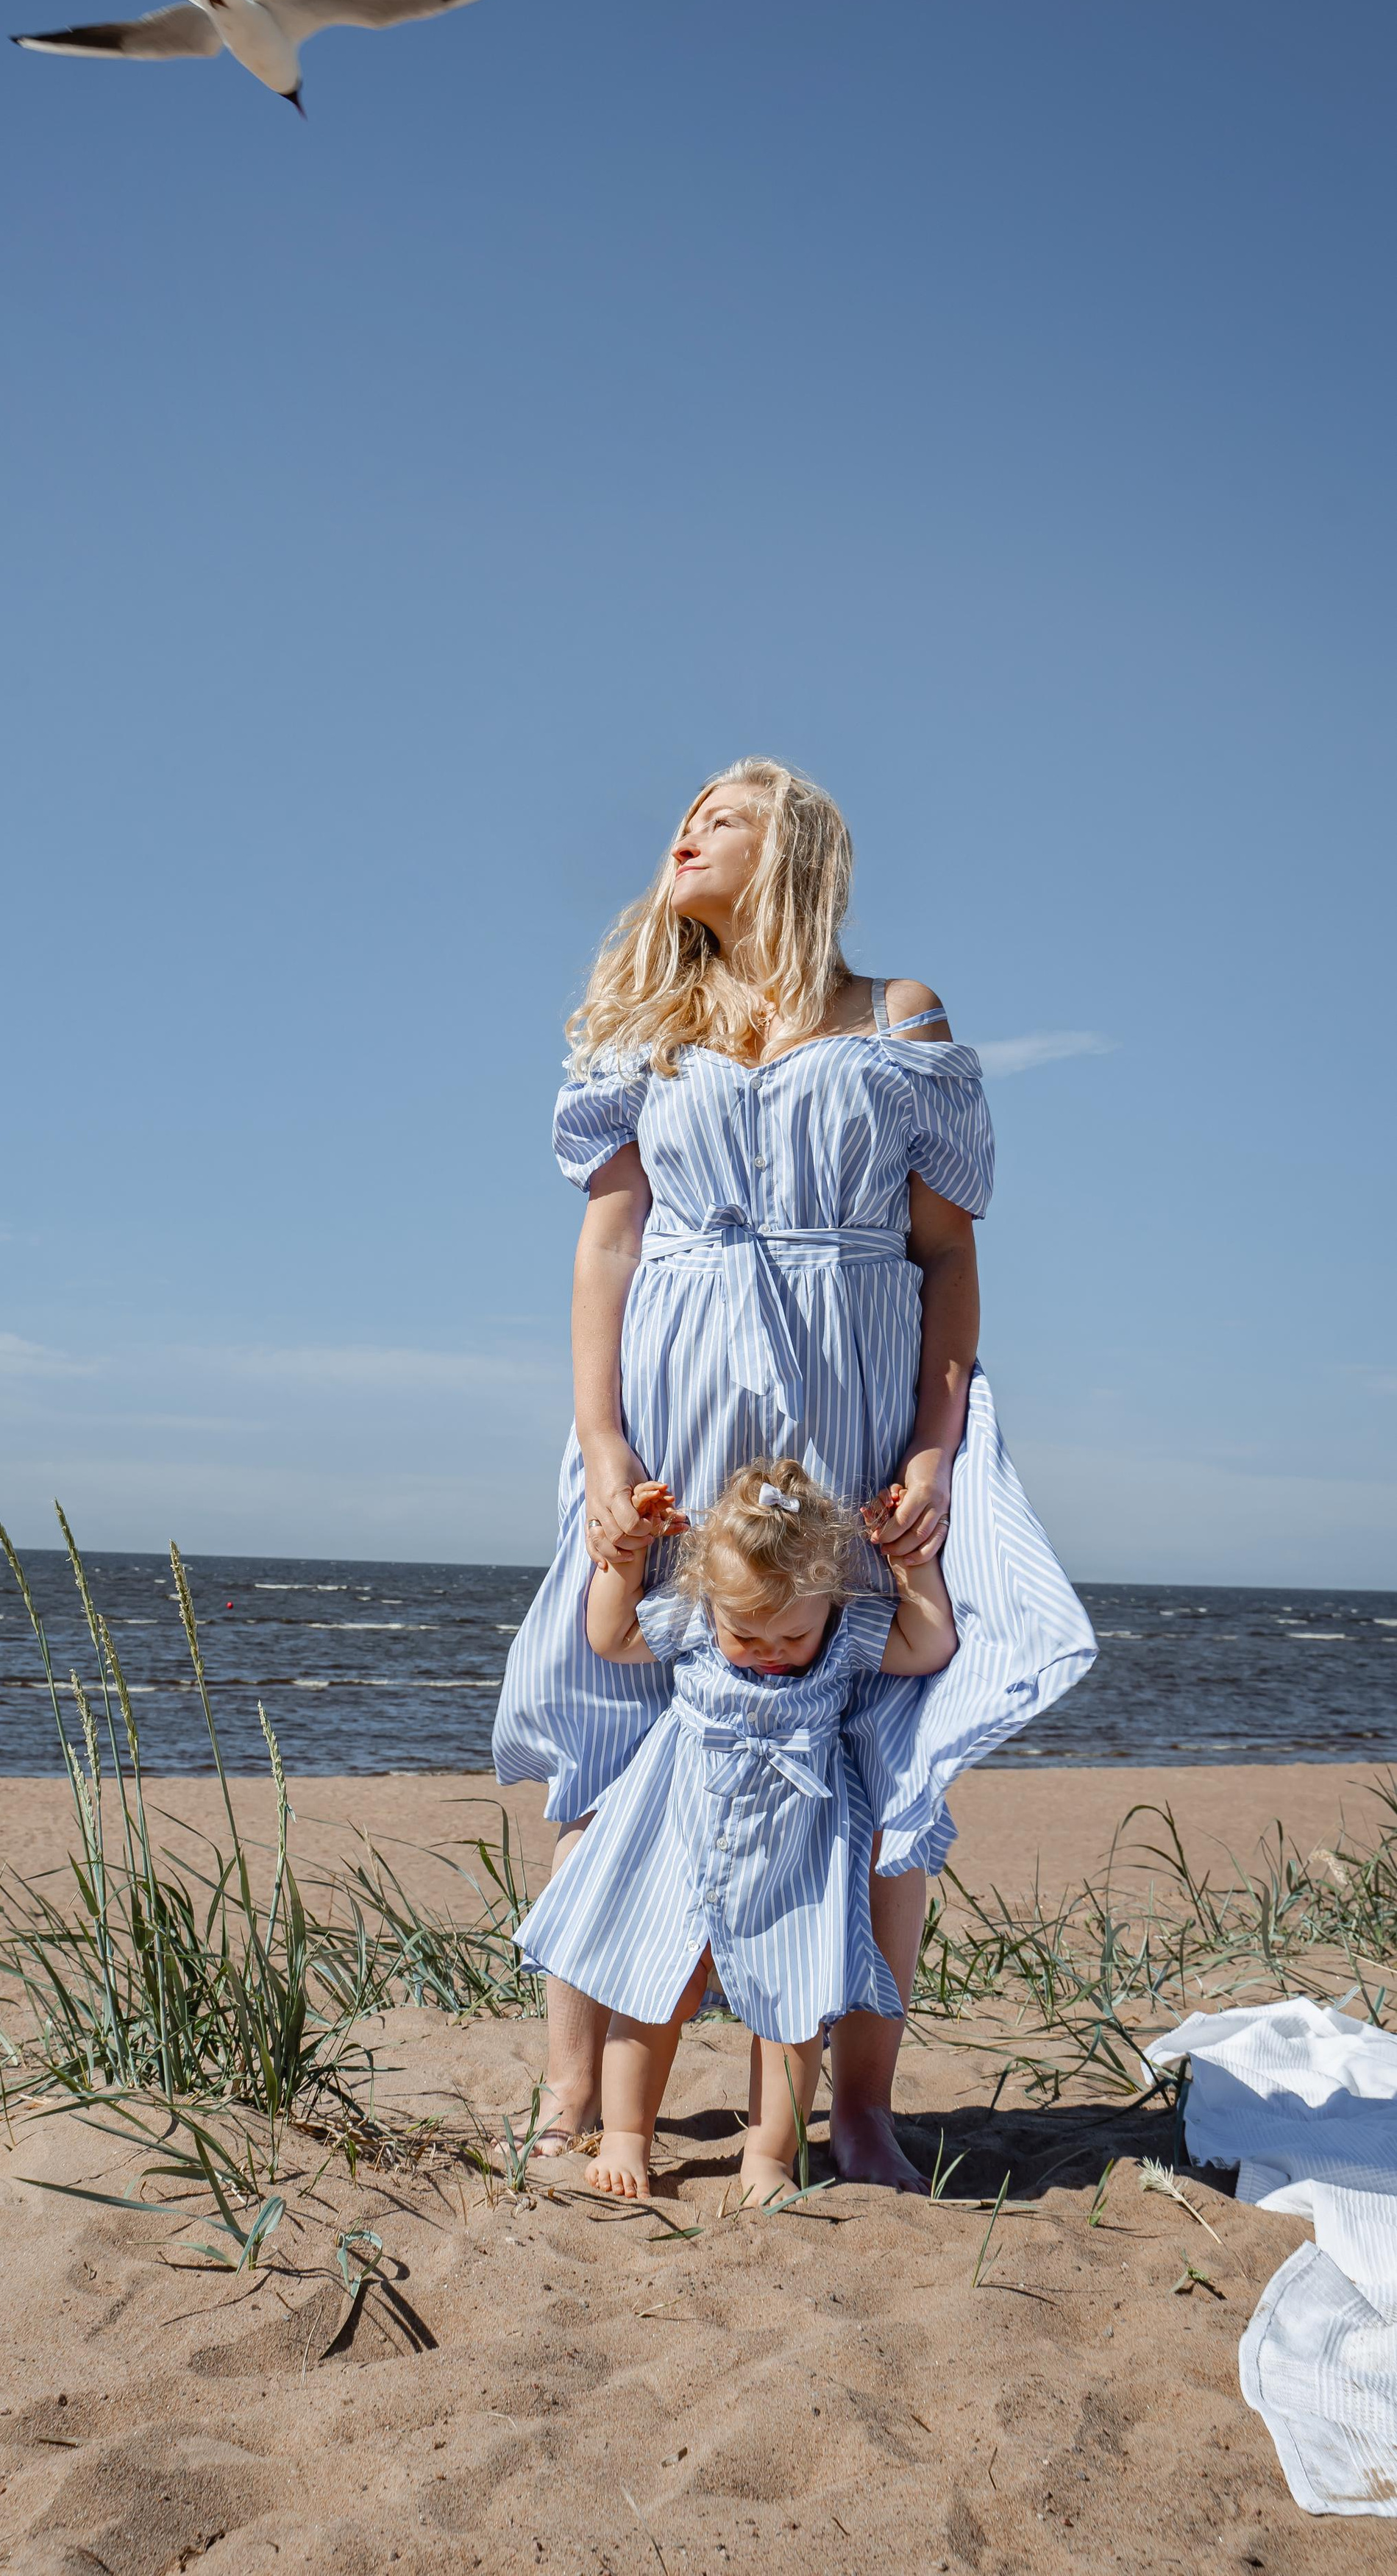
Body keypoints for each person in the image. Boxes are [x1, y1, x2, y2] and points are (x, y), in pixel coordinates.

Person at [491, 753, 1095, 2185]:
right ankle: (572, 2090)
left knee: (877, 1752)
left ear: (796, 845)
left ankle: (860, 2107)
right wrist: (598, 1445)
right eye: (681, 816)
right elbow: (607, 1246)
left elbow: (943, 1253)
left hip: (855, 1427)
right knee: (617, 1723)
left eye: (721, 811)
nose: (684, 827)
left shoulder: (897, 1021)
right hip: (669, 1429)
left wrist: (936, 1447)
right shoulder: (651, 1023)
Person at [516, 1459, 959, 2204]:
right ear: (712, 1604)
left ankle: (769, 2158)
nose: (769, 1652)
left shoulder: (846, 1639)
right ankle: (626, 2135)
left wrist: (906, 1562)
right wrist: (623, 1560)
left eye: (791, 1634)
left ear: (826, 1605)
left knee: (792, 2008)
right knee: (653, 1985)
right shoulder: (694, 1617)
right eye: (744, 1635)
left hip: (794, 1856)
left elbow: (928, 1645)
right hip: (680, 1842)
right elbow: (610, 1634)